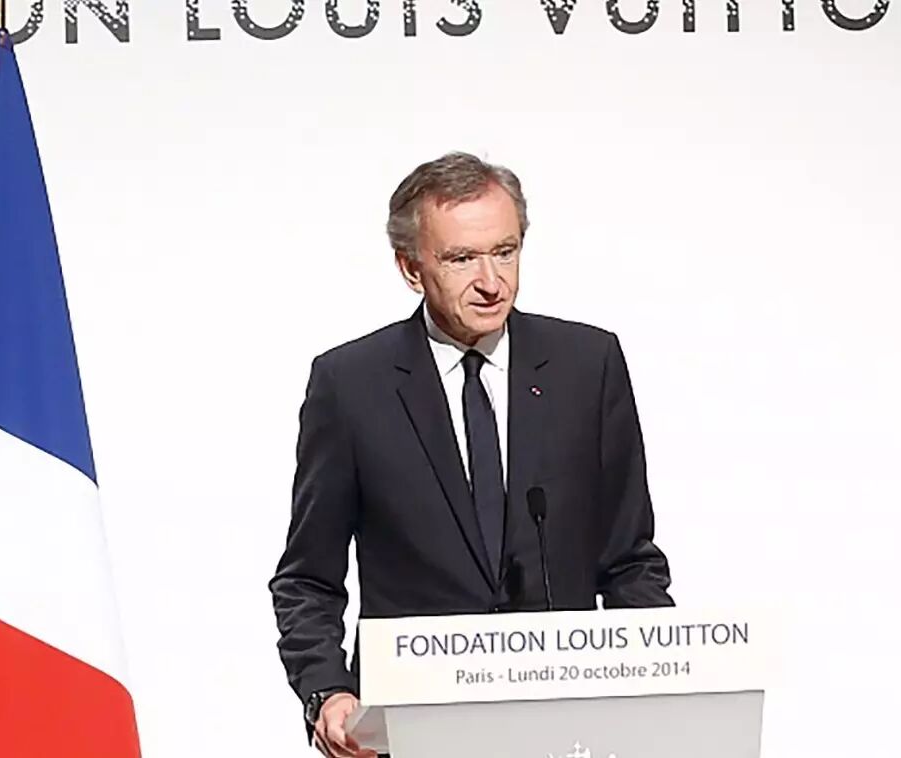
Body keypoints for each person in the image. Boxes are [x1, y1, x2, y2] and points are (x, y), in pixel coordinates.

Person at [268, 151, 673, 757]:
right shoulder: (351, 386)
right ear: (411, 267)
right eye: (462, 259)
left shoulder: (587, 367)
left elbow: (629, 562)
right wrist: (328, 691)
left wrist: (661, 693)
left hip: (562, 729)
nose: (491, 281)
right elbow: (307, 579)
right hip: (413, 731)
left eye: (505, 252)